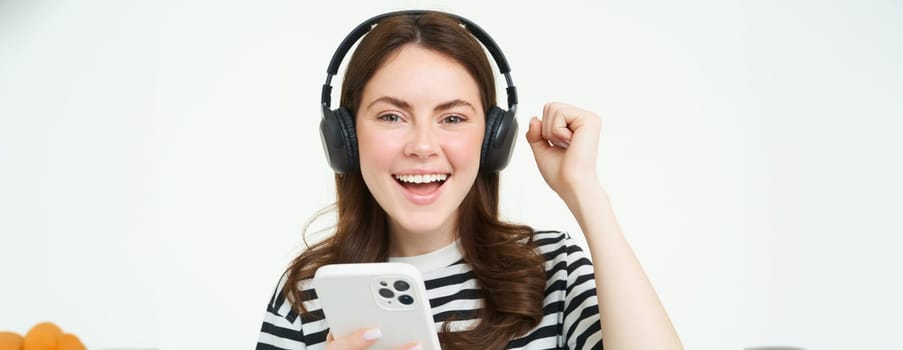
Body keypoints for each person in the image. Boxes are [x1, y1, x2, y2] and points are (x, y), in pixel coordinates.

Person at [257, 10, 682, 350]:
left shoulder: (554, 271)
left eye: (453, 118)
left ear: (493, 138)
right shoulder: (306, 295)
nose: (423, 146)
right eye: (391, 116)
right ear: (345, 139)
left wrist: (586, 192)